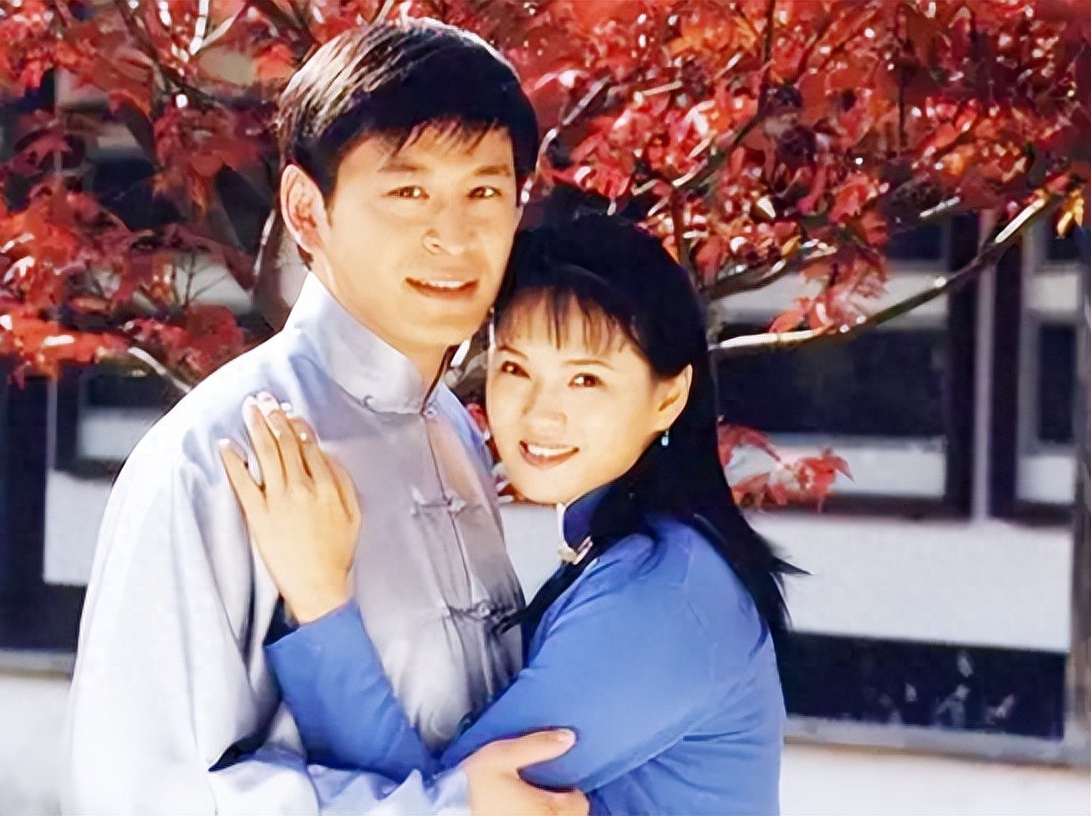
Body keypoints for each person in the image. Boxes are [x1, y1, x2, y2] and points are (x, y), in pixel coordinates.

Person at [62, 20, 589, 816]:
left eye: (484, 191)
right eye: (408, 192)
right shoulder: (216, 455)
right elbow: (140, 793)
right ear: (307, 212)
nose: (454, 236)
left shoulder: (454, 426)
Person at [222, 214, 793, 815]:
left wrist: (318, 598)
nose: (540, 413)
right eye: (516, 368)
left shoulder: (664, 596)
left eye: (586, 379)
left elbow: (439, 804)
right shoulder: (631, 554)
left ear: (668, 397)